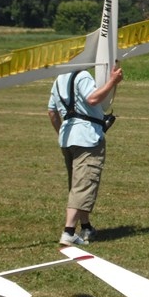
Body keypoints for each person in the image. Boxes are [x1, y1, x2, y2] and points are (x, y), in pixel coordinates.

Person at [48, 65, 124, 245]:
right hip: (87, 138)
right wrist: (113, 81)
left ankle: (86, 227)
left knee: (77, 184)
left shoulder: (59, 79)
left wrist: (62, 133)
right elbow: (92, 98)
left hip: (67, 139)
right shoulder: (82, 75)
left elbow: (52, 112)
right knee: (84, 184)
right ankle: (69, 232)